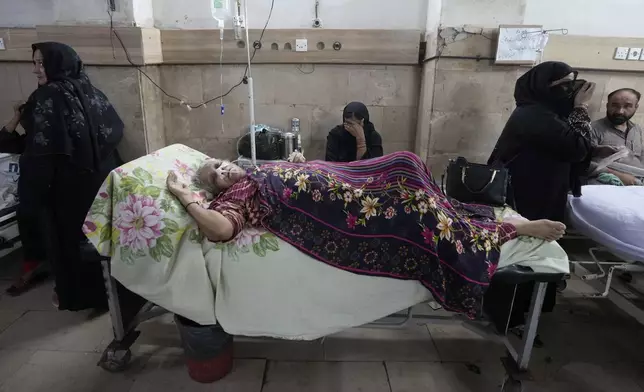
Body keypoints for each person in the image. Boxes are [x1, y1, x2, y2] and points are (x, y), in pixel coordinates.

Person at [166, 151, 566, 317]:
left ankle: (457, 212)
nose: (224, 170)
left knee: (407, 162)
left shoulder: (253, 168)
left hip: (346, 180)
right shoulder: (237, 193)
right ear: (218, 189)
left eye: (220, 164)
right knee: (418, 212)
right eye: (216, 176)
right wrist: (186, 197)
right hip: (346, 208)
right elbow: (220, 229)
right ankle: (509, 230)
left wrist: (296, 165)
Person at [0, 42, 124, 311]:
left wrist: (32, 195)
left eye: (40, 63)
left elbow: (40, 151)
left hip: (67, 190)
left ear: (57, 64)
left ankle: (80, 297)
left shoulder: (47, 97)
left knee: (70, 244)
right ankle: (112, 297)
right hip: (99, 183)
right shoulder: (90, 91)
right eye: (34, 63)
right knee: (99, 239)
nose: (35, 70)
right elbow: (115, 130)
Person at [485, 61, 595, 333]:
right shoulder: (535, 115)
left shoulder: (544, 114)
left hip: (541, 191)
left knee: (533, 253)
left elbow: (572, 147)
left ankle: (522, 311)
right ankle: (510, 316)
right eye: (565, 86)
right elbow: (576, 148)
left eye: (574, 84)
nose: (571, 91)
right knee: (526, 253)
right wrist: (581, 108)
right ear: (543, 88)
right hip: (529, 196)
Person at [589, 88, 644, 186]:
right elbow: (581, 163)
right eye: (614, 105)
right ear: (607, 105)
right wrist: (616, 174)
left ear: (636, 107)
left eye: (627, 106)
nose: (620, 111)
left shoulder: (636, 129)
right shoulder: (593, 129)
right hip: (607, 184)